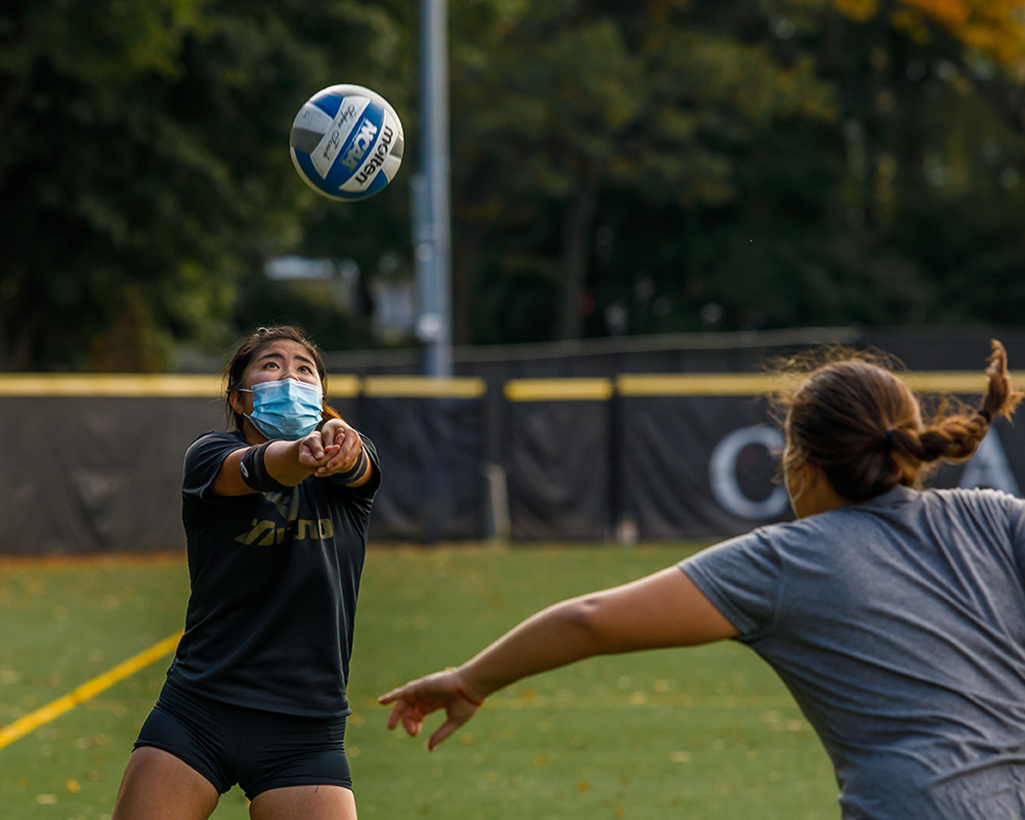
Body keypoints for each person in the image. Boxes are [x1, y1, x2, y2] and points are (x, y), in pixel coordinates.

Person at [380, 341, 1025, 820]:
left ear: (801, 465)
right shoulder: (994, 516)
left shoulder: (785, 561)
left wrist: (470, 680)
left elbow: (591, 619)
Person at [113, 325, 380, 820]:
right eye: (271, 365)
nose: (290, 376)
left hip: (306, 727)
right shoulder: (209, 456)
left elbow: (359, 464)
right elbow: (257, 469)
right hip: (198, 709)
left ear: (321, 396)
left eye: (304, 369)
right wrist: (298, 454)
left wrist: (343, 445)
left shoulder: (348, 469)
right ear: (239, 398)